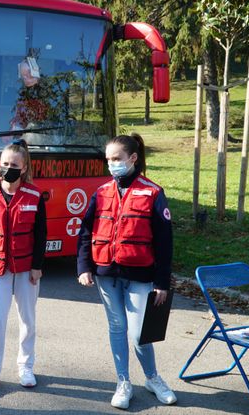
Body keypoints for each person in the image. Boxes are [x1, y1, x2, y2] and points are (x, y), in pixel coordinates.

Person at [77, 133, 177, 410]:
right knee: (117, 328)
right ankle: (123, 382)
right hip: (106, 274)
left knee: (138, 333)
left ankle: (152, 378)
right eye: (108, 160)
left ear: (132, 158)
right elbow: (86, 231)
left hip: (141, 274)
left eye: (116, 159)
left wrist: (162, 282)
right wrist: (84, 266)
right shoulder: (101, 192)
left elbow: (164, 242)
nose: (111, 164)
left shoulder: (153, 193)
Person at [0, 138, 47, 396]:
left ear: (24, 167)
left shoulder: (35, 195)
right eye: (5, 163)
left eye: (14, 164)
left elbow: (41, 234)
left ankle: (26, 367)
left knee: (28, 320)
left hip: (27, 268)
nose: (8, 167)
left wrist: (37, 266)